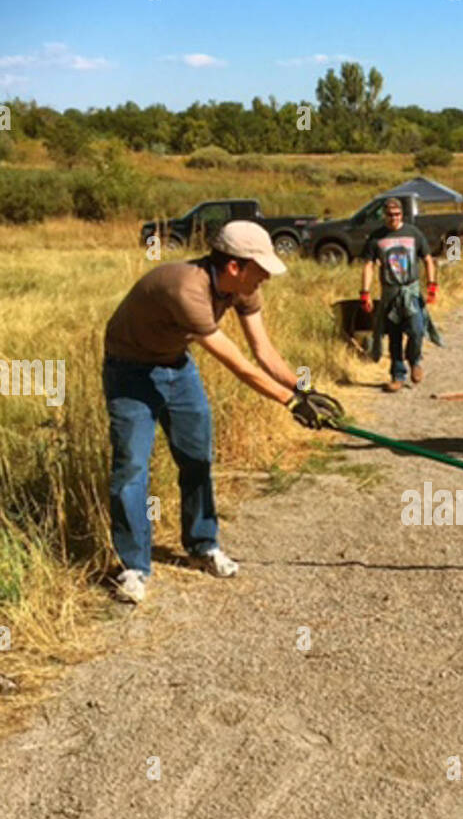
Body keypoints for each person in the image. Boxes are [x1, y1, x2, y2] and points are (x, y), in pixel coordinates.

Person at [103, 220, 341, 603]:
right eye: (260, 270)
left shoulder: (243, 288)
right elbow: (240, 366)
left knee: (197, 456)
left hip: (177, 365)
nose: (265, 279)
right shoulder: (187, 290)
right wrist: (290, 403)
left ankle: (202, 546)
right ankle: (133, 568)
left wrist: (306, 389)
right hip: (130, 371)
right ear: (234, 266)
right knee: (132, 466)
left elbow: (264, 352)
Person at [359, 197, 437, 393]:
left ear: (402, 214)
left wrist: (432, 286)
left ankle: (414, 360)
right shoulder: (376, 238)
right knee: (394, 336)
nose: (393, 218)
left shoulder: (413, 233)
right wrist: (365, 292)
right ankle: (397, 376)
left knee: (417, 330)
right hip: (390, 294)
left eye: (397, 214)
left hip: (410, 292)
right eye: (390, 214)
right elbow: (368, 265)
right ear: (384, 215)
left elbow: (428, 259)